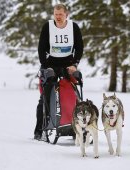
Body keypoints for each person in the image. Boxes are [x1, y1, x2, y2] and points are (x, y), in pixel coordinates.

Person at [34, 4, 83, 140]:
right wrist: (45, 66)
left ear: (66, 14)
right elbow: (41, 48)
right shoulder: (47, 27)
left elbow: (79, 47)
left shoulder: (73, 27)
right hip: (50, 64)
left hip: (68, 64)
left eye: (60, 14)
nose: (58, 17)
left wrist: (75, 64)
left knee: (74, 93)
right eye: (56, 14)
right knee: (45, 95)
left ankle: (76, 126)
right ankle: (40, 130)